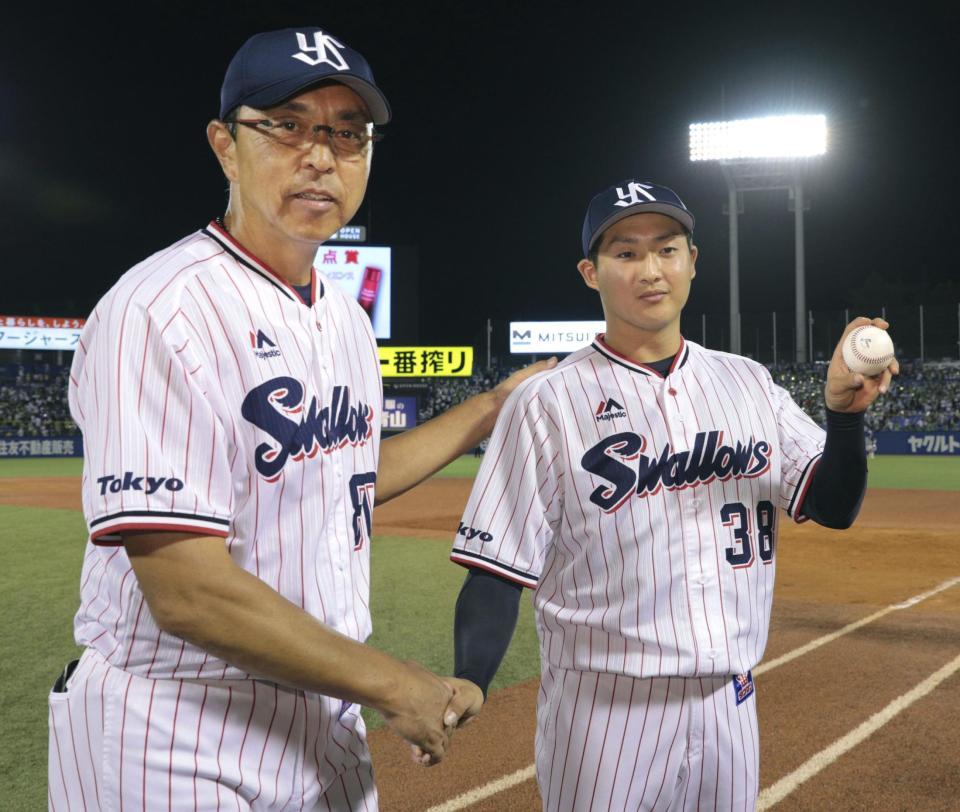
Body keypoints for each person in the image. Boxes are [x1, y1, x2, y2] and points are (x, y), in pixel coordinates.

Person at [48, 27, 547, 810]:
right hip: (173, 726)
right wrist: (392, 682)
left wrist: (490, 407)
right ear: (225, 145)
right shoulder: (161, 309)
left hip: (321, 710)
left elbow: (346, 474)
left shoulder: (343, 318)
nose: (322, 155)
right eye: (287, 124)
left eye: (349, 133)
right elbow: (187, 590)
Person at [448, 179, 898, 810]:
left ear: (692, 261)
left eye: (666, 249)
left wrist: (844, 418)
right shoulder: (546, 402)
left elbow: (832, 503)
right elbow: (497, 563)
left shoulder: (748, 383)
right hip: (604, 712)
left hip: (729, 704)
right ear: (590, 273)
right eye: (625, 253)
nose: (650, 269)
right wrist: (471, 679)